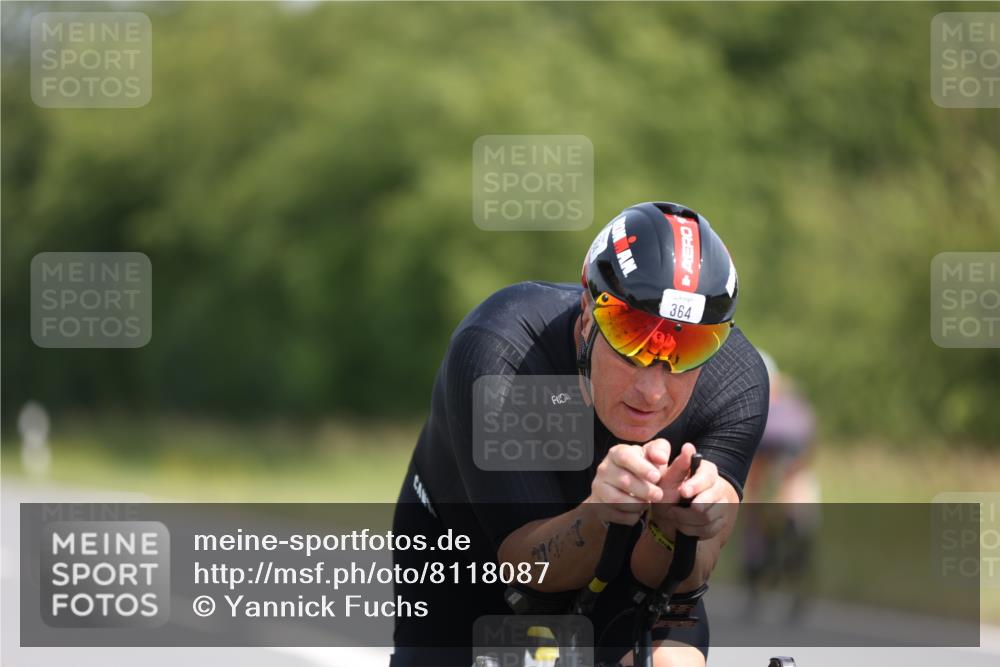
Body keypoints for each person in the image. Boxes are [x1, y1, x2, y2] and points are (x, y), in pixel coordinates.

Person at [391, 201, 770, 667]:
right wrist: (599, 516)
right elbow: (525, 565)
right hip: (471, 557)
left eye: (688, 348)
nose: (652, 391)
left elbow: (683, 578)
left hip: (625, 581)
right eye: (632, 340)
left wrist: (672, 529)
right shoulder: (505, 353)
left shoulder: (736, 385)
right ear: (588, 313)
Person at [741, 352, 820, 620]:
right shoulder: (756, 406)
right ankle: (757, 592)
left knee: (796, 534)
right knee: (757, 539)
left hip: (789, 478)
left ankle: (797, 594)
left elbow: (801, 450)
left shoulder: (789, 408)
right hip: (763, 480)